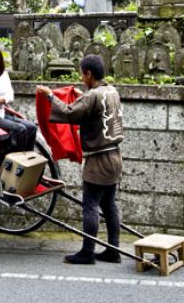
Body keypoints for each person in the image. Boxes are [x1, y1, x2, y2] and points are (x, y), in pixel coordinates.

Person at [36, 54, 124, 265]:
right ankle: (114, 249)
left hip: (98, 159)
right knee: (109, 204)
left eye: (82, 74)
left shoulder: (92, 96)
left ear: (88, 74)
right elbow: (91, 107)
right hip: (115, 156)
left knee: (90, 205)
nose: (81, 77)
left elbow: (69, 113)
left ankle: (87, 251)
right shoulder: (111, 91)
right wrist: (81, 95)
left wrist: (50, 96)